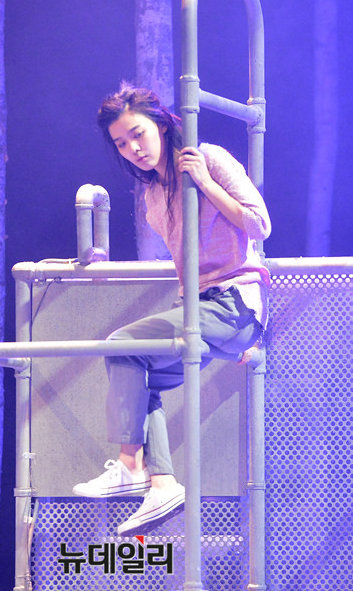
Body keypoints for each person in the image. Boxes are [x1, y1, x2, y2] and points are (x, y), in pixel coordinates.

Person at [72, 82, 271, 536]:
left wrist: (204, 182)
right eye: (121, 144)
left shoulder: (208, 158)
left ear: (161, 124)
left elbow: (259, 225)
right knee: (139, 378)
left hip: (235, 302)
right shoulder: (152, 197)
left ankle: (129, 465)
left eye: (138, 134)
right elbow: (187, 267)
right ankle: (161, 484)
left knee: (121, 344)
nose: (133, 149)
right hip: (202, 311)